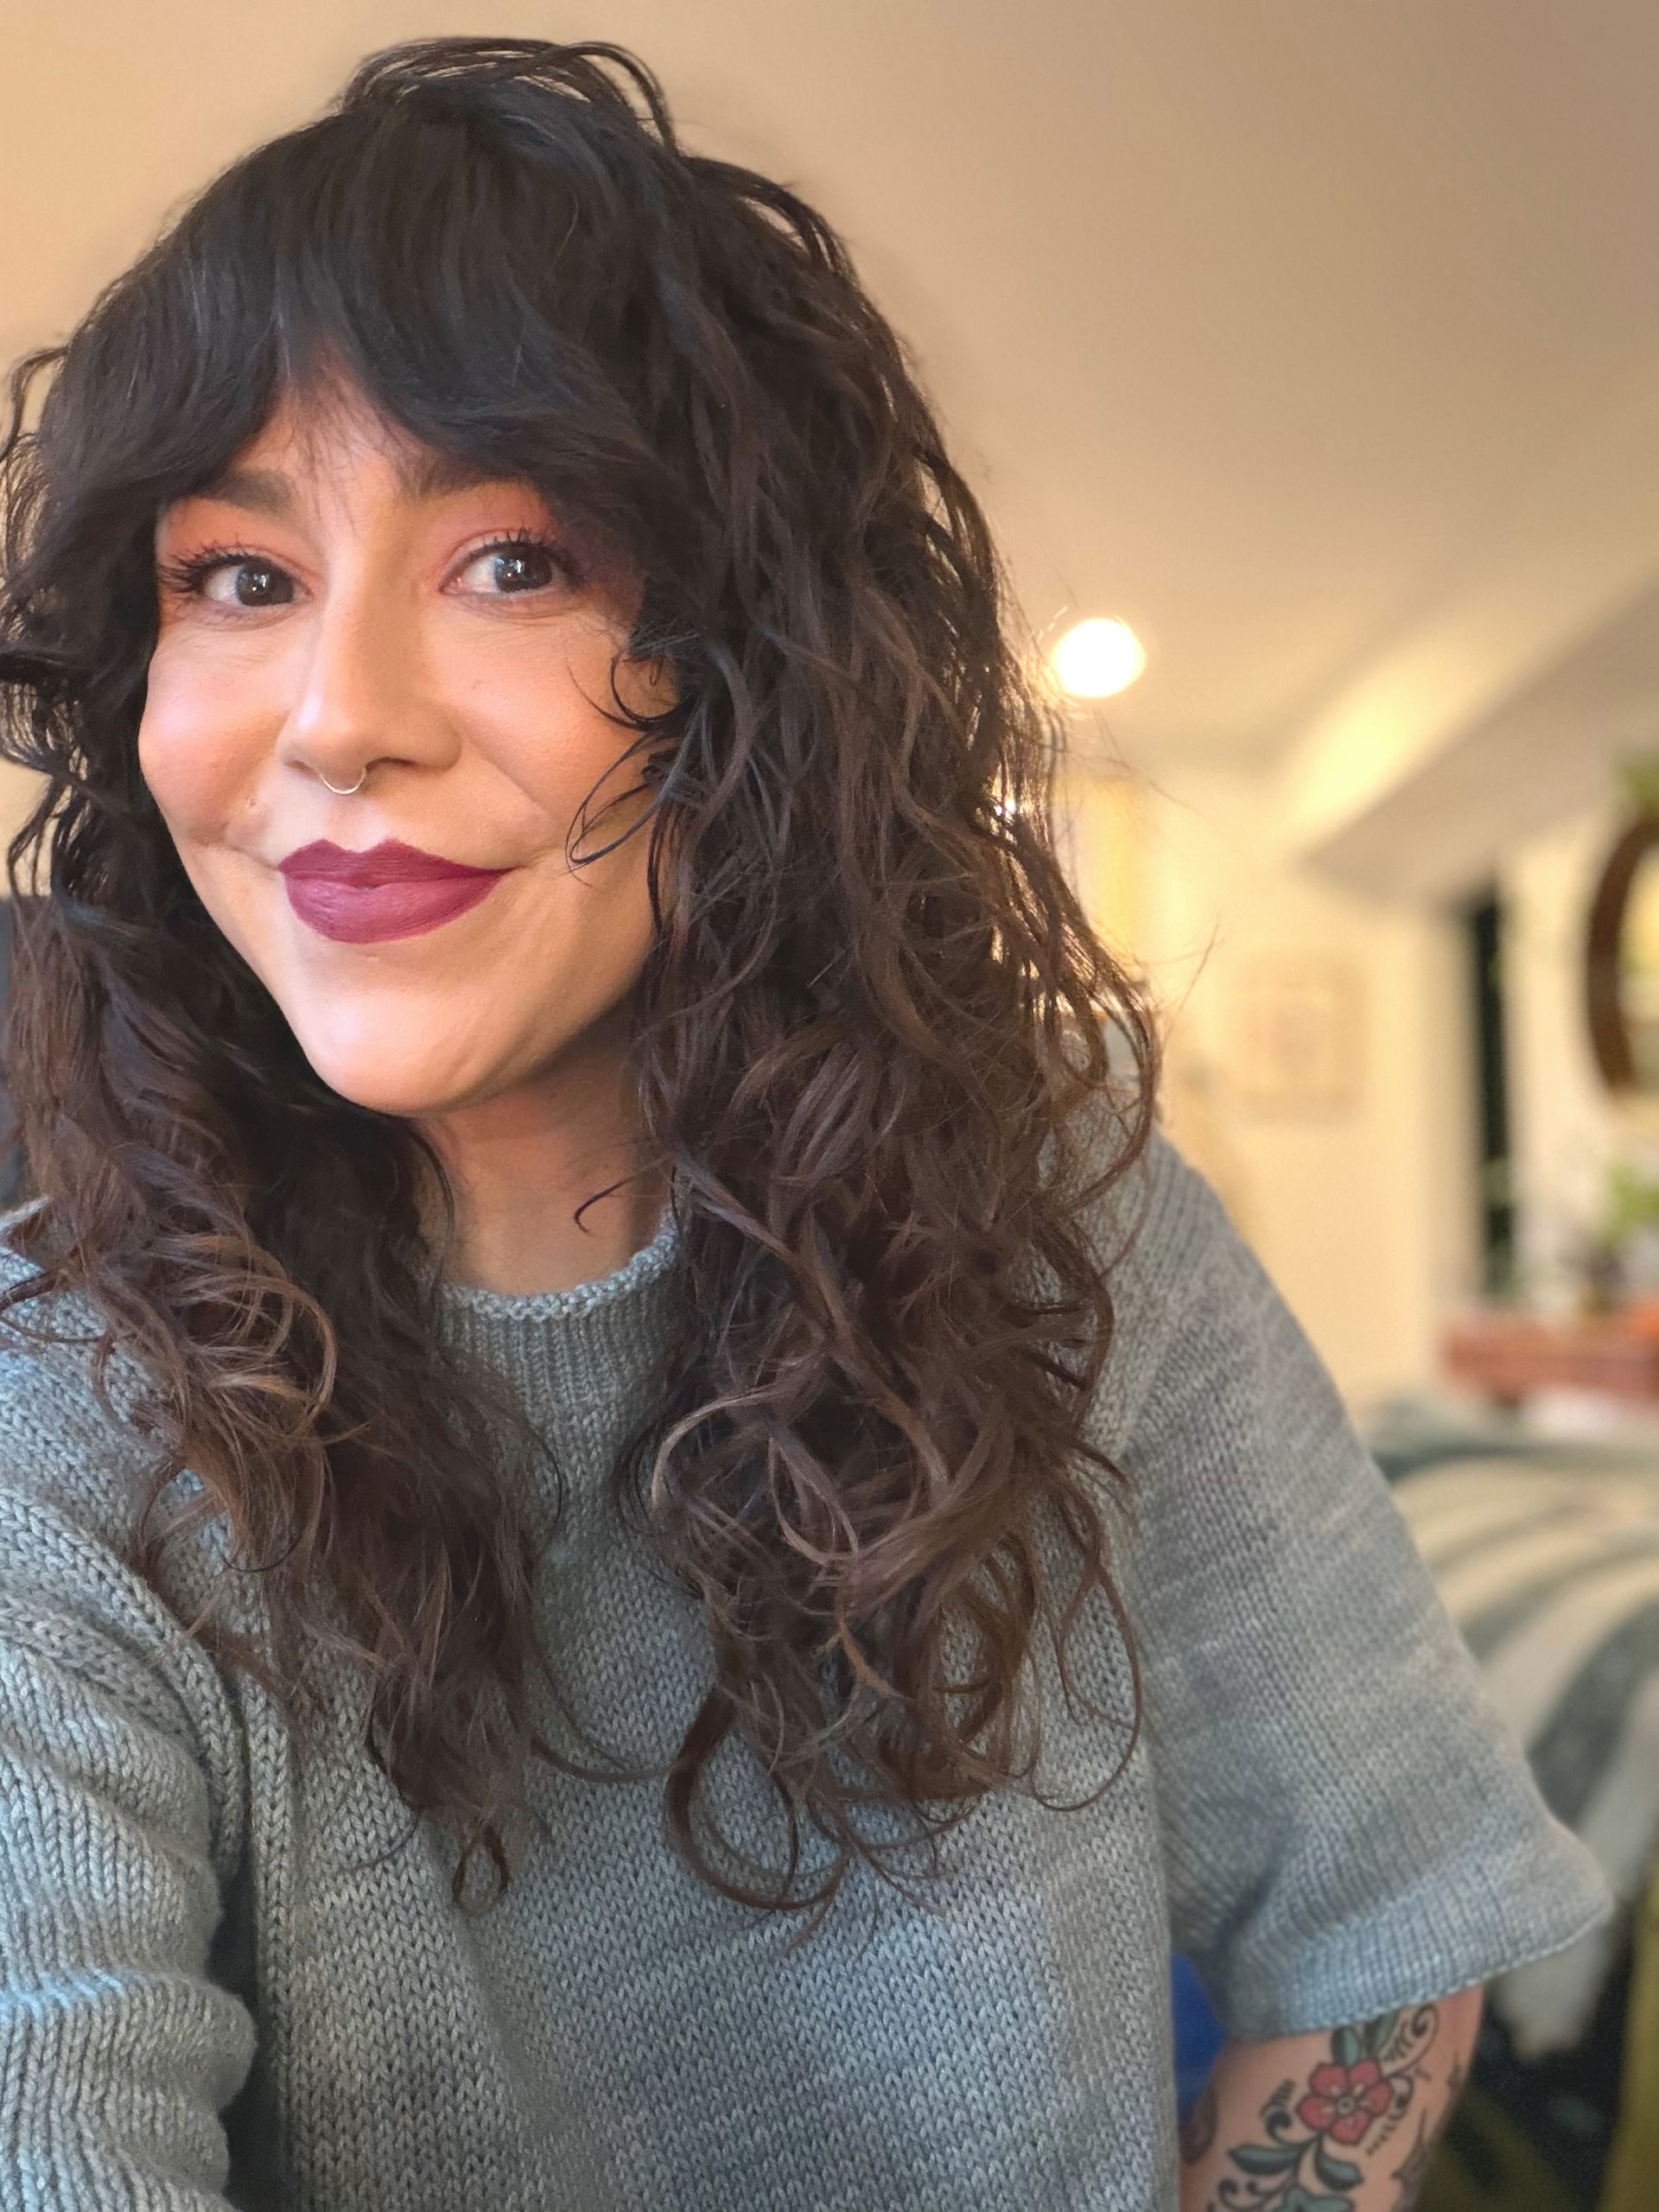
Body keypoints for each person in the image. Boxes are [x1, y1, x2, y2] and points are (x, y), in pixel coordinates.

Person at [0, 36, 1611, 2212]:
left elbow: (1385, 1930)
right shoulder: (63, 1418)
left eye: (520, 561)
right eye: (240, 576)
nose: (340, 717)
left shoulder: (1069, 1221)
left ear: (765, 669)